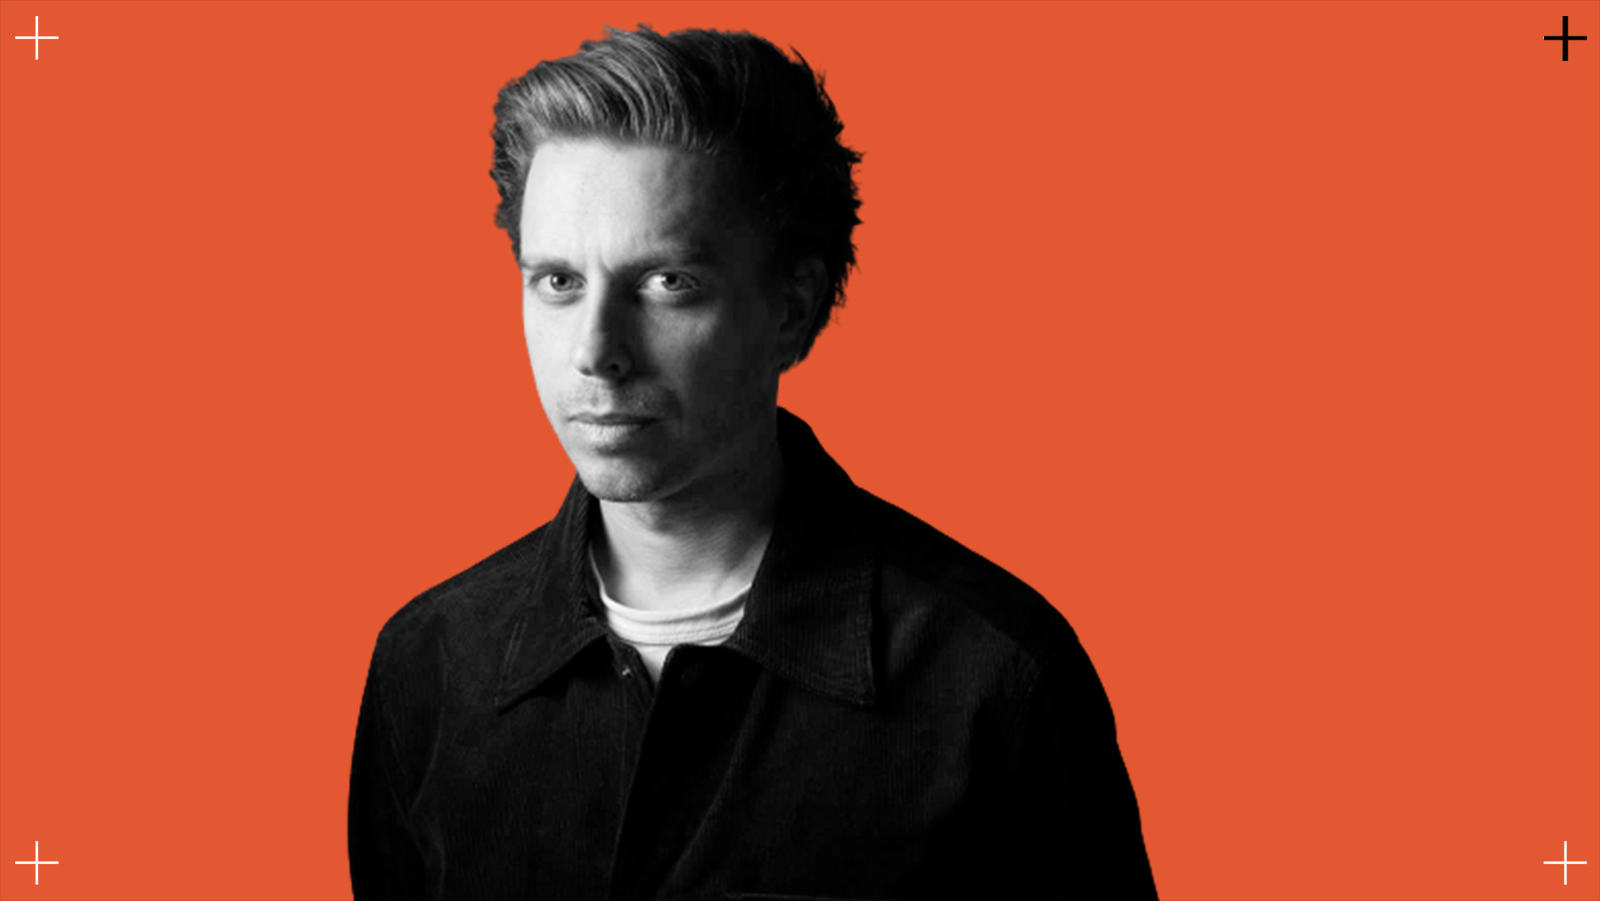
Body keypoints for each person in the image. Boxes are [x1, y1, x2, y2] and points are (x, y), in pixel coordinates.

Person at [348, 24, 1158, 900]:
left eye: (668, 282)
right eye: (558, 282)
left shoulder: (996, 679)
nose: (595, 352)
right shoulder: (427, 667)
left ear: (791, 309)